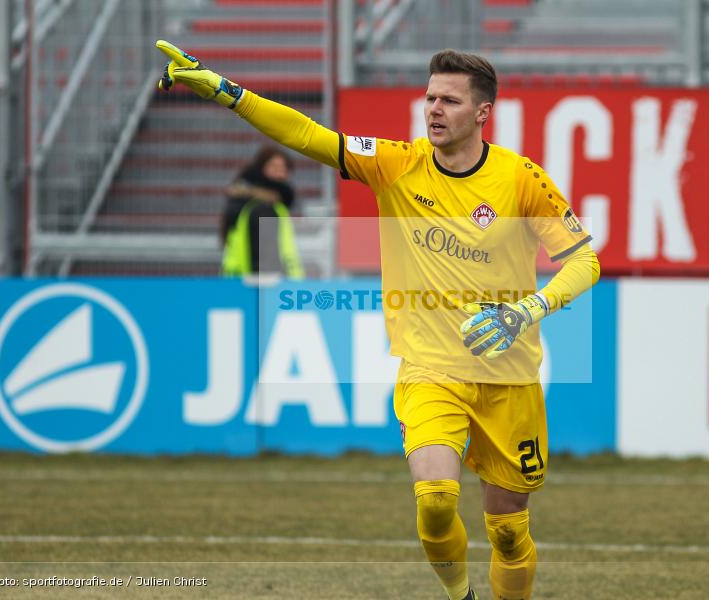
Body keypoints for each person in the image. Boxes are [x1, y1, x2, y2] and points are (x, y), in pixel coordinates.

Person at [157, 40, 600, 600]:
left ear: (483, 113)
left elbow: (584, 260)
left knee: (509, 531)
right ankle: (460, 595)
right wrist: (229, 93)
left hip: (510, 378)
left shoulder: (520, 179)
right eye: (429, 97)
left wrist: (528, 308)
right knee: (436, 501)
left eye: (450, 101)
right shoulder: (397, 164)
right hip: (430, 370)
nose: (434, 109)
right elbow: (307, 135)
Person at [220, 145, 305, 278]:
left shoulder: (255, 204)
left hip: (240, 284)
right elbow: (263, 259)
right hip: (256, 287)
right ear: (261, 169)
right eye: (274, 167)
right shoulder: (263, 208)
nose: (280, 173)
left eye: (284, 169)